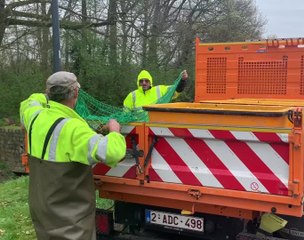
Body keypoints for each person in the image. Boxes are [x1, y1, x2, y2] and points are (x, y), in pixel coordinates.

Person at [19, 71, 126, 240]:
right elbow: (113, 152)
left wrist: (46, 95)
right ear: (76, 92)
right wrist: (114, 129)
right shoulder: (74, 128)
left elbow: (29, 101)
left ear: (49, 93)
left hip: (43, 212)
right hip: (70, 220)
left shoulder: (34, 116)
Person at [123, 69, 188, 110]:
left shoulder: (159, 90)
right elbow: (126, 113)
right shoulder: (132, 96)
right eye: (141, 81)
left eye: (146, 81)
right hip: (138, 128)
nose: (144, 83)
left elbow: (175, 90)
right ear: (138, 82)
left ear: (150, 81)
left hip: (156, 127)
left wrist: (182, 80)